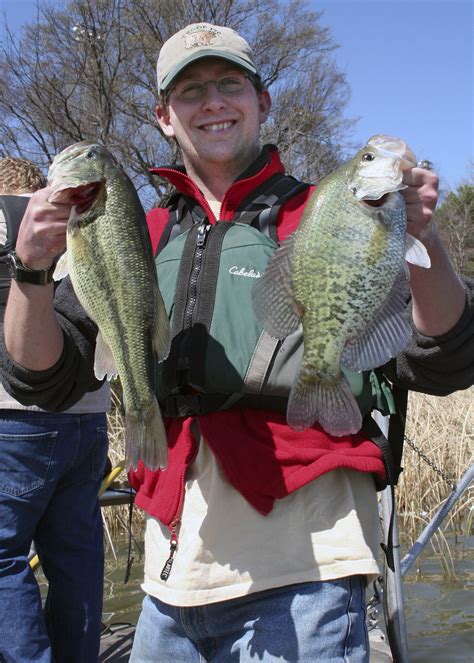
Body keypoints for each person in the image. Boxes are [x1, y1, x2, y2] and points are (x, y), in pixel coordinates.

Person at [1, 23, 473, 662]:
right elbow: (44, 380)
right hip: (171, 581)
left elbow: (442, 359)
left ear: (263, 102)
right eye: (191, 91)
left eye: (231, 84)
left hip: (308, 573)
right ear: (165, 117)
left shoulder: (331, 212)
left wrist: (425, 241)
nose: (213, 101)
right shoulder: (141, 231)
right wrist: (30, 270)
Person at [0, 157, 110, 662]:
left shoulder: (12, 225)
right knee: (77, 558)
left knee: (3, 560)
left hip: (14, 418)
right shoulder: (76, 218)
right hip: (88, 418)